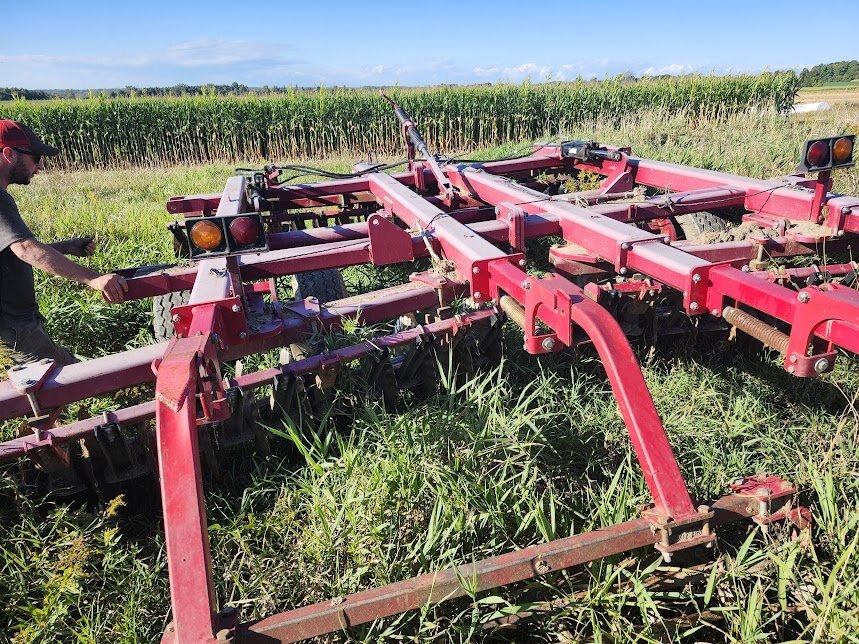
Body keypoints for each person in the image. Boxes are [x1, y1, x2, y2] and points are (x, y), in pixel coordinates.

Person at [0, 119, 128, 367]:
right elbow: (25, 249)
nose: (40, 166)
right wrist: (94, 279)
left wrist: (65, 246)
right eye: (36, 157)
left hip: (15, 324)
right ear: (8, 154)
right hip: (14, 327)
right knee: (68, 384)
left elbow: (9, 251)